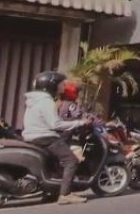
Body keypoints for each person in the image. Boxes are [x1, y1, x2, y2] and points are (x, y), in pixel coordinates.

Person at [21, 71, 90, 205]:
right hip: (45, 136)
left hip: (31, 136)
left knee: (54, 163)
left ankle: (51, 191)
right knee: (71, 160)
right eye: (61, 84)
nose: (63, 88)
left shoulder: (34, 100)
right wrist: (80, 122)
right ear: (51, 85)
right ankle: (65, 195)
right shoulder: (46, 101)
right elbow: (55, 124)